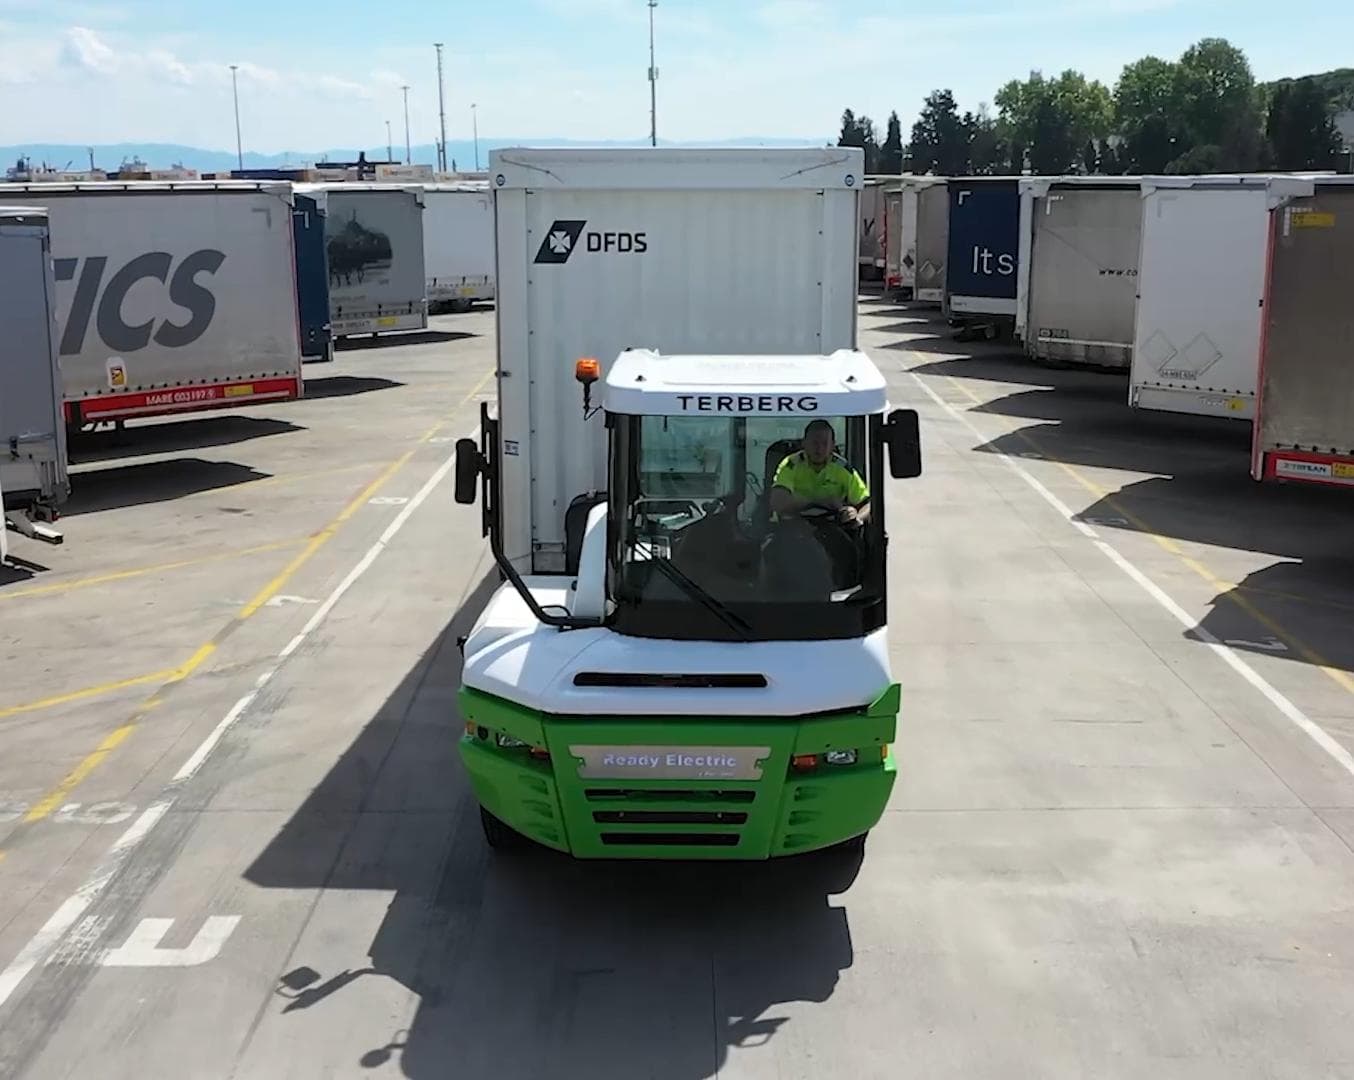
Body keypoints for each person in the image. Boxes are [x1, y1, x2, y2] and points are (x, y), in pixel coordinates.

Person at [769, 419, 870, 525]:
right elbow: (778, 502)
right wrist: (818, 502)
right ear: (804, 443)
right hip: (792, 528)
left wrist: (856, 518)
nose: (819, 449)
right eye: (815, 443)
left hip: (832, 531)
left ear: (832, 445)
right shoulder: (791, 465)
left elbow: (868, 504)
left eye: (824, 443)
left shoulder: (842, 468)